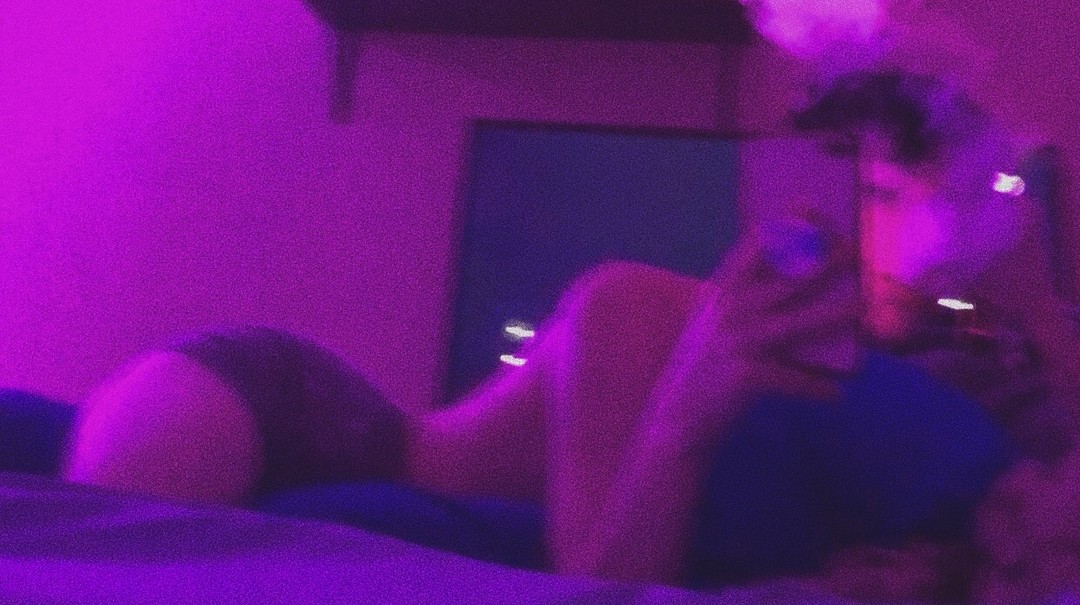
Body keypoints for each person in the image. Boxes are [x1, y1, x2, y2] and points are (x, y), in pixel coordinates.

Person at [36, 68, 1080, 600]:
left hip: (322, 453)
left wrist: (1035, 300)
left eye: (942, 205)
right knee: (85, 553)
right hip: (274, 404)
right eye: (878, 195)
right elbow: (594, 587)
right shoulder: (641, 312)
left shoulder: (930, 426)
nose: (912, 239)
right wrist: (688, 404)